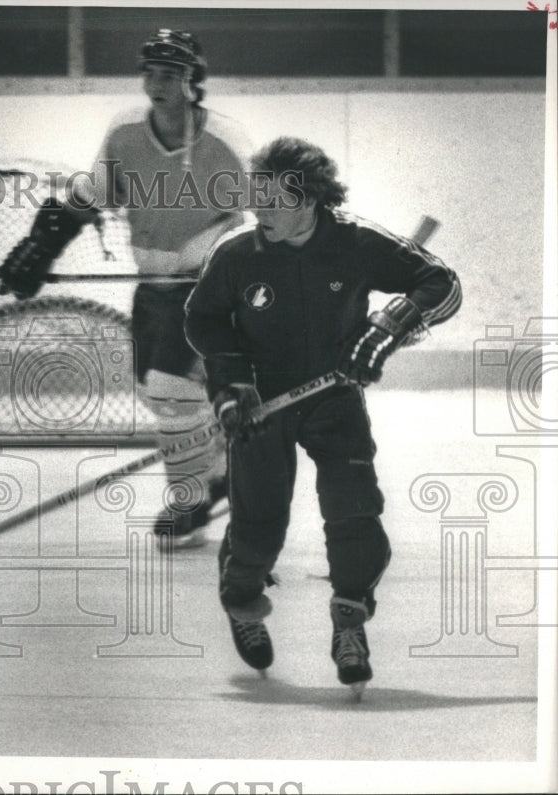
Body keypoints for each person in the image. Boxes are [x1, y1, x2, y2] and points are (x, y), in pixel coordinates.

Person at [184, 137, 461, 695]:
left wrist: (389, 327)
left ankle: (350, 620)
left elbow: (443, 284)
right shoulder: (238, 254)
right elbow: (205, 322)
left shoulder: (355, 241)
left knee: (354, 510)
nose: (257, 210)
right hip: (261, 401)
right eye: (254, 195)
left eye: (270, 198)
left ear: (306, 199)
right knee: (259, 524)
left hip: (334, 398)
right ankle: (241, 596)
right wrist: (233, 387)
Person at [0, 28, 253, 549]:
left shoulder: (225, 139)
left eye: (171, 73)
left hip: (206, 287)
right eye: (152, 72)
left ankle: (191, 500)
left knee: (172, 391)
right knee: (157, 393)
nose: (158, 82)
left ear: (192, 80)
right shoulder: (126, 133)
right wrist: (42, 245)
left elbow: (263, 214)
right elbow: (90, 195)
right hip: (152, 287)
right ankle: (223, 467)